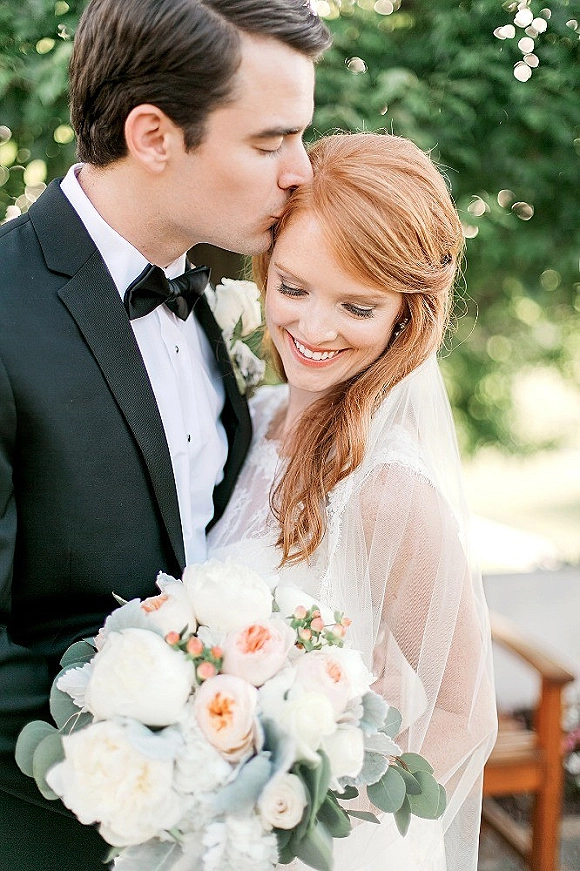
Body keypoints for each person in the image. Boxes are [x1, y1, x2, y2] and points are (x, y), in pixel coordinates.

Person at [0, 1, 330, 868]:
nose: (301, 171)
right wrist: (171, 759)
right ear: (152, 135)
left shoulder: (211, 294)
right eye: (271, 141)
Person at [207, 132, 497, 871]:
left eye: (357, 306)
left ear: (406, 316)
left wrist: (315, 818)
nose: (314, 329)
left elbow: (465, 713)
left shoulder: (386, 489)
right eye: (293, 288)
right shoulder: (256, 415)